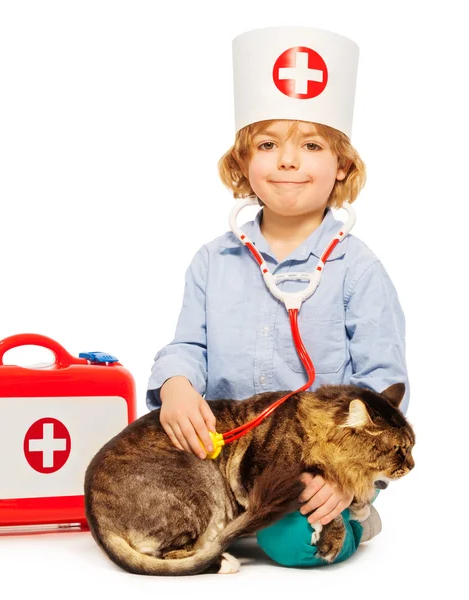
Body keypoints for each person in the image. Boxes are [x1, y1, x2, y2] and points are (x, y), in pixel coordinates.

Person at [145, 26, 409, 568]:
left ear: (342, 167)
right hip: (231, 455)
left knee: (289, 543)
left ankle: (353, 512)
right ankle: (238, 515)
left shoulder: (358, 269)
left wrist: (347, 479)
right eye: (267, 145)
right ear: (243, 165)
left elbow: (383, 384)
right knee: (142, 489)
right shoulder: (212, 262)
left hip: (316, 462)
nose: (288, 161)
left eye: (311, 145)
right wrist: (174, 384)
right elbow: (188, 345)